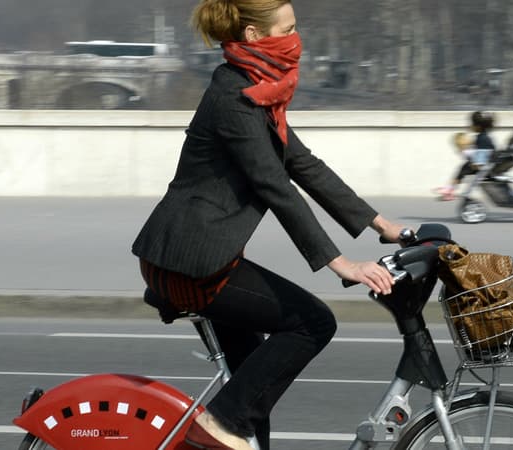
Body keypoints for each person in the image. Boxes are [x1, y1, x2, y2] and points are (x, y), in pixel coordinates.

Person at [131, 1, 406, 449]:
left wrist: (381, 224)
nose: (297, 39)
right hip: (190, 264)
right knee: (312, 323)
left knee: (252, 392)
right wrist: (342, 265)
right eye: (289, 29)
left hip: (202, 255)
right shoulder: (234, 99)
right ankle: (218, 425)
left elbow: (302, 164)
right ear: (257, 37)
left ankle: (227, 426)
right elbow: (274, 184)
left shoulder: (258, 90)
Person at [435, 111, 496, 201]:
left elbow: (481, 159)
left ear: (478, 126)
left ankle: (449, 189)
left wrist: (474, 164)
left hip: (485, 168)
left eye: (472, 124)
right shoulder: (483, 137)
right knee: (463, 168)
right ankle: (449, 189)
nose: (470, 126)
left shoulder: (482, 139)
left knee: (464, 168)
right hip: (487, 165)